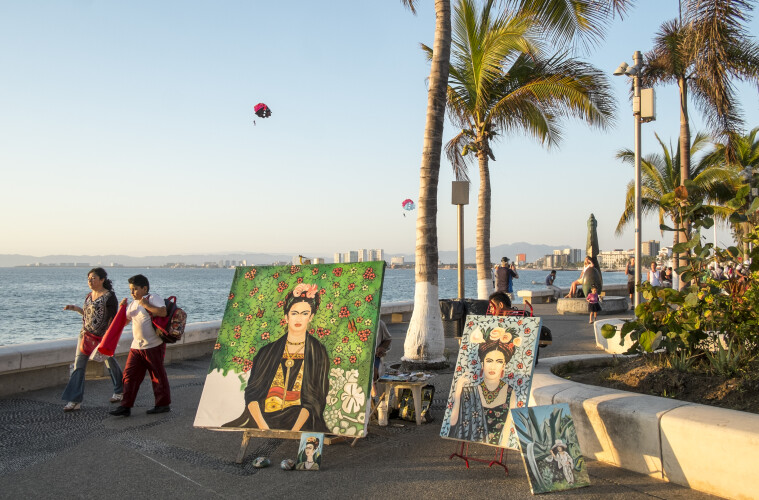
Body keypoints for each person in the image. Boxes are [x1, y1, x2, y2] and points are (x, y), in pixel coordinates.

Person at [223, 283, 330, 432]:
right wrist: (263, 428)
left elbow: (315, 399)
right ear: (286, 317)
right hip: (264, 417)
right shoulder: (267, 351)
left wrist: (294, 432)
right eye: (294, 313)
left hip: (298, 418)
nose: (299, 318)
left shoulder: (317, 351)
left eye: (304, 313)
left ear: (311, 317)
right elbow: (252, 392)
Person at [61, 268, 124, 412]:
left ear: (102, 280)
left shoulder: (109, 296)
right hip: (85, 336)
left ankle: (119, 391)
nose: (90, 281)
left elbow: (112, 320)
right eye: (89, 278)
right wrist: (75, 308)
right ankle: (75, 400)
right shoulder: (89, 296)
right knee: (79, 367)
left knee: (111, 364)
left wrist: (107, 339)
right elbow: (89, 315)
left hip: (101, 339)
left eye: (93, 278)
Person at [110, 274, 170, 417]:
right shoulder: (132, 304)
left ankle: (163, 404)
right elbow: (124, 322)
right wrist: (121, 309)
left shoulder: (152, 297)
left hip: (153, 345)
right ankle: (125, 406)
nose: (132, 292)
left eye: (135, 289)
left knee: (157, 376)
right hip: (136, 347)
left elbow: (163, 311)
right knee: (129, 376)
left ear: (144, 288)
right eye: (131, 289)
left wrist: (146, 305)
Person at [447, 326, 517, 445]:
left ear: (504, 365)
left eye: (499, 361)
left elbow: (508, 428)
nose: (493, 366)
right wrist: (458, 393)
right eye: (489, 360)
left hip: (497, 444)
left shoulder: (510, 392)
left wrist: (504, 445)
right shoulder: (470, 391)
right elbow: (453, 422)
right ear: (482, 363)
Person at [372, 320, 392, 397]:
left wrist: (382, 347)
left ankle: (377, 401)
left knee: (373, 373)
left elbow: (388, 339)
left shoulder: (379, 323)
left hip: (374, 357)